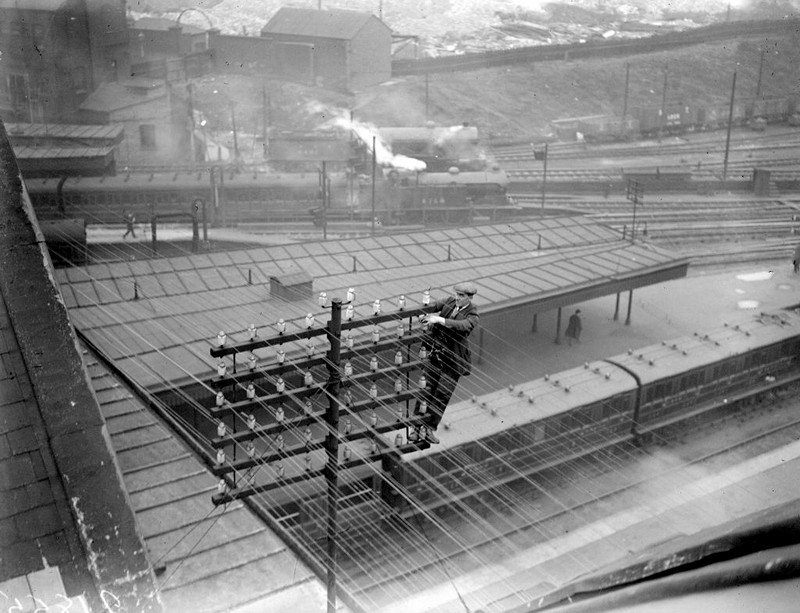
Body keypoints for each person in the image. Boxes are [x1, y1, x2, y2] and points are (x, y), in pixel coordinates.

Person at [416, 281, 479, 444]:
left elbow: (463, 326)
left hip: (453, 361)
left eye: (462, 296)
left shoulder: (473, 313)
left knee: (441, 395)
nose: (457, 298)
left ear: (470, 298)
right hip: (435, 354)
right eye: (457, 294)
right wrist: (424, 313)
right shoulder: (449, 301)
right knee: (425, 389)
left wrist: (438, 320)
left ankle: (429, 428)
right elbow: (432, 306)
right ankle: (416, 427)